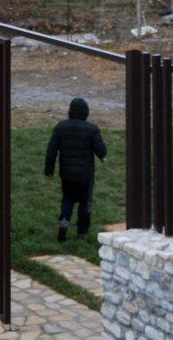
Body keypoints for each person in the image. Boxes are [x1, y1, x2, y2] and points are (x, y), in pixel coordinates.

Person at [44, 96, 107, 242]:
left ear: (70, 111)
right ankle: (82, 232)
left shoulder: (60, 127)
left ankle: (64, 221)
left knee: (67, 199)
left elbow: (51, 150)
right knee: (85, 202)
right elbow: (101, 150)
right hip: (86, 176)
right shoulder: (92, 129)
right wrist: (103, 156)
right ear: (86, 112)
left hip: (67, 175)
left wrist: (49, 170)